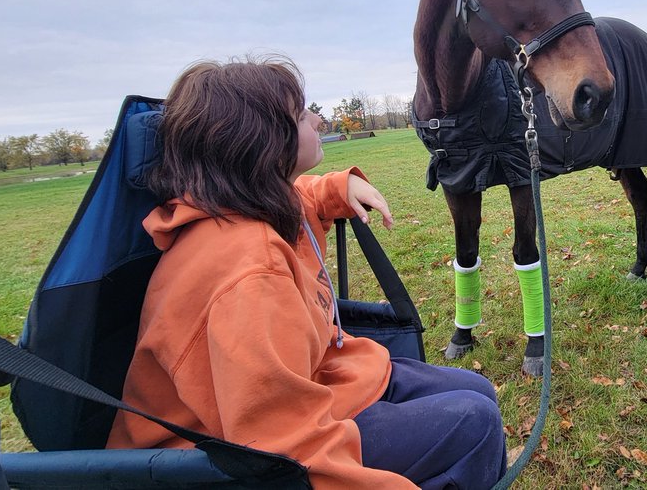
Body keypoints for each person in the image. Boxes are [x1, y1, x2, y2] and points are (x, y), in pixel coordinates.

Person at [107, 56, 506, 489]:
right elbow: (282, 452)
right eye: (301, 114)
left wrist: (336, 187)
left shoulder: (243, 204)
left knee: (478, 392)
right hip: (217, 456)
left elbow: (300, 197)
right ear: (261, 141)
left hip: (311, 389)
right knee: (476, 423)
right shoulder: (247, 272)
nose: (317, 119)